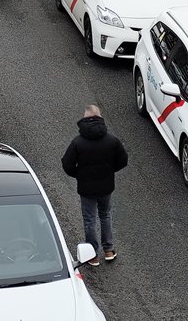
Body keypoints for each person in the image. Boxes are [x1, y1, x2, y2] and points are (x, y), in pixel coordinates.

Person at [61, 105, 128, 267]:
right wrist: (109, 171)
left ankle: (92, 255)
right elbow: (123, 160)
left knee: (89, 220)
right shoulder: (112, 140)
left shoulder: (78, 143)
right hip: (106, 186)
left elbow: (67, 164)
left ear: (84, 120)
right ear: (100, 118)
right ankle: (109, 250)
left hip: (86, 189)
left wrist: (79, 175)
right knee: (105, 215)